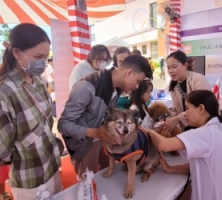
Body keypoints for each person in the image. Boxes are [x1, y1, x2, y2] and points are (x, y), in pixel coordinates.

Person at [146, 90, 222, 200]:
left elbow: (164, 145)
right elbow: (201, 165)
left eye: (187, 108)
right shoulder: (220, 128)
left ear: (201, 108)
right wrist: (170, 168)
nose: (185, 113)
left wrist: (149, 131)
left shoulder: (207, 133)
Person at [58, 55, 153, 177]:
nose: (137, 87)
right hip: (84, 145)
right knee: (89, 184)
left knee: (107, 176)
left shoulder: (117, 87)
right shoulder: (87, 86)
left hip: (104, 140)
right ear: (129, 73)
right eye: (138, 81)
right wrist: (95, 133)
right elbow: (63, 125)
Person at [0, 23, 62, 200]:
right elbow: (3, 150)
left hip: (51, 166)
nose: (42, 63)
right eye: (38, 56)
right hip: (29, 178)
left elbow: (47, 120)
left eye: (45, 57)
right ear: (17, 53)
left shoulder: (39, 81)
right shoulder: (5, 91)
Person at [163, 50, 211, 131]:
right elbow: (175, 110)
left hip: (204, 125)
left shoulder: (198, 79)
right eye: (168, 67)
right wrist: (169, 121)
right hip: (187, 126)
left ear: (185, 65)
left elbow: (201, 107)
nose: (171, 71)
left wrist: (177, 119)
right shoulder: (174, 86)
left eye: (174, 67)